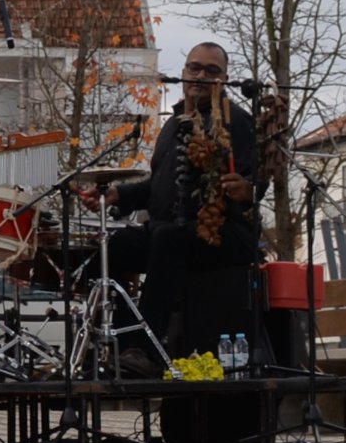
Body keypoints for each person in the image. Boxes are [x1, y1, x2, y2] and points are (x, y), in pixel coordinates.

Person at [92, 42, 263, 376]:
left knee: (169, 239)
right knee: (113, 247)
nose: (201, 76)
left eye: (211, 71)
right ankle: (122, 342)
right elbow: (157, 188)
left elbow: (263, 180)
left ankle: (146, 351)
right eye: (194, 68)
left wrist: (249, 190)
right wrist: (118, 194)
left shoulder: (237, 121)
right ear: (183, 72)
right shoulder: (173, 125)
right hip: (170, 232)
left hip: (223, 235)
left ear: (225, 79)